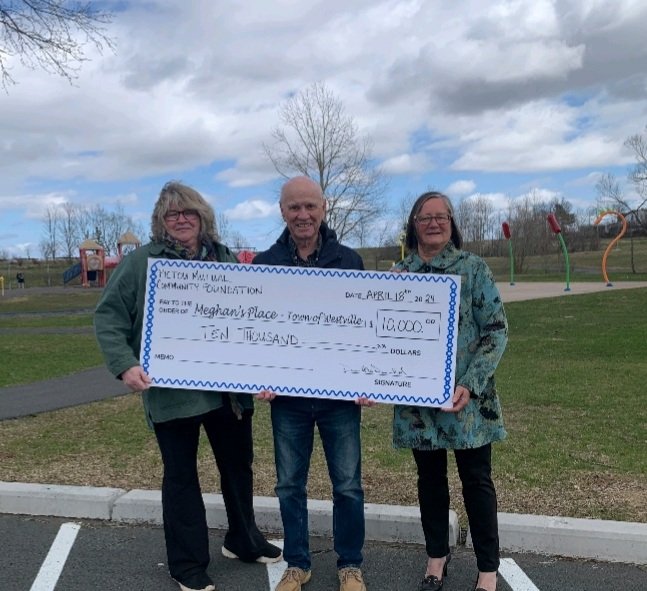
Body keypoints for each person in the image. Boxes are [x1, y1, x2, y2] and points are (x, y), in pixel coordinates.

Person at [94, 181, 282, 591]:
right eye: (172, 214)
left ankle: (243, 538)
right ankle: (187, 563)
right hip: (172, 394)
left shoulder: (226, 258)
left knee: (237, 469)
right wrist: (125, 365)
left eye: (188, 212)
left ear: (203, 217)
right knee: (181, 478)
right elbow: (108, 316)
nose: (181, 219)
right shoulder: (143, 262)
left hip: (228, 392)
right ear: (161, 222)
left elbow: (254, 316)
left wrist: (268, 368)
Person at [253, 176, 372, 591]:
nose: (302, 215)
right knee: (289, 485)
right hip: (287, 400)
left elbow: (363, 330)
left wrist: (366, 378)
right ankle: (297, 563)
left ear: (323, 208)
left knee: (348, 486)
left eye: (310, 206)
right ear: (282, 212)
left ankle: (350, 565)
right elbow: (257, 329)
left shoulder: (349, 261)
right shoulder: (264, 264)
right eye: (293, 208)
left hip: (339, 400)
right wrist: (258, 376)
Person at [392, 191, 508, 591]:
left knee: (476, 482)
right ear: (414, 224)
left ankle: (488, 569)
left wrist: (469, 385)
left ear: (451, 222)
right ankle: (436, 557)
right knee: (430, 482)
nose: (434, 223)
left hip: (467, 404)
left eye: (442, 216)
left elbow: (497, 331)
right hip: (418, 407)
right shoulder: (399, 276)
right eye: (426, 217)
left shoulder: (472, 268)